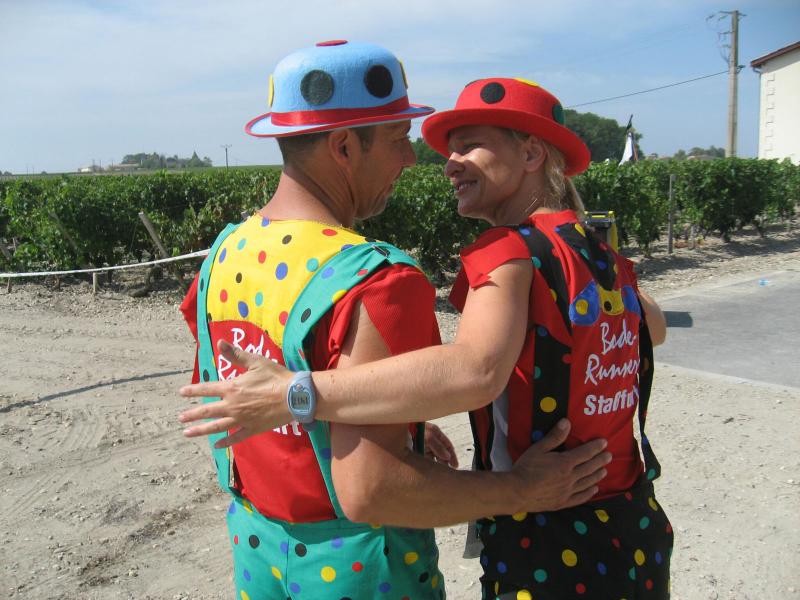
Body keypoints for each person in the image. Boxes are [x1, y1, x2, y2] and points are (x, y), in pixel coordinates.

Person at [180, 76, 672, 599]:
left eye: (469, 146)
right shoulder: (600, 257)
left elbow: (474, 371)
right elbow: (652, 329)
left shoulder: (227, 251)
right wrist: (407, 418)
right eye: (403, 139)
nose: (440, 163)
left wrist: (295, 394)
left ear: (531, 153)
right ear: (342, 146)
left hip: (546, 537)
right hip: (629, 526)